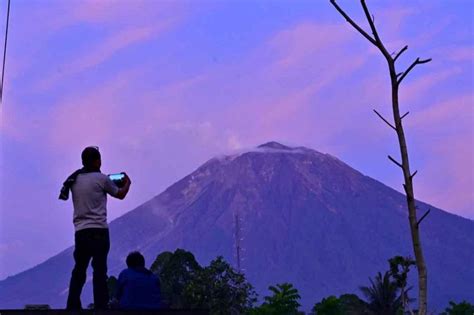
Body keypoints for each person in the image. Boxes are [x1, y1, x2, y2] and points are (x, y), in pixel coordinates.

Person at [61, 146, 131, 310]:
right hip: (99, 230)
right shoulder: (102, 179)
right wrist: (127, 183)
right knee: (100, 271)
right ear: (97, 161)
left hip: (81, 233)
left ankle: (72, 305)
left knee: (79, 270)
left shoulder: (74, 180)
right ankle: (101, 306)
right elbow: (120, 194)